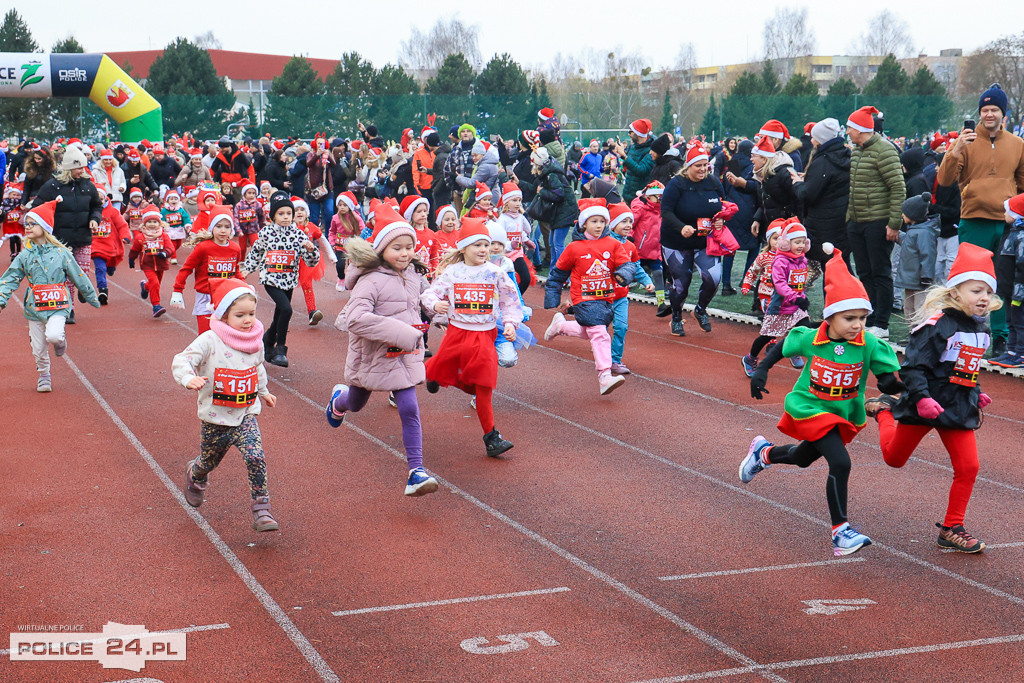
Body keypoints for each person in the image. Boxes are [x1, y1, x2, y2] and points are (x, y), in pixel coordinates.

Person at [740, 249, 904, 556]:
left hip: (843, 412)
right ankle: (840, 533)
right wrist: (761, 369)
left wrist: (895, 386)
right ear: (830, 316)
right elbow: (782, 346)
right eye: (849, 318)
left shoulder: (869, 344)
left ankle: (764, 454)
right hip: (809, 407)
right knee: (840, 462)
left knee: (802, 458)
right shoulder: (811, 337)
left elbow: (890, 379)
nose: (857, 324)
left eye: (863, 318)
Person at [865, 243, 1002, 552]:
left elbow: (965, 368)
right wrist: (923, 399)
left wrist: (976, 392)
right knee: (894, 459)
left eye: (988, 293)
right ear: (955, 293)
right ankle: (885, 412)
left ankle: (952, 527)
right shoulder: (936, 326)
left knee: (969, 467)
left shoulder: (981, 329)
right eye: (976, 290)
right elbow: (913, 368)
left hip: (956, 407)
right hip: (924, 404)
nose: (983, 298)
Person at [325, 213, 439, 496]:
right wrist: (402, 332)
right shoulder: (370, 280)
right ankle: (338, 403)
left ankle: (416, 472)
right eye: (397, 248)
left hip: (403, 356)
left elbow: (425, 299)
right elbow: (356, 319)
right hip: (372, 357)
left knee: (410, 408)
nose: (404, 253)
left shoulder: (413, 274)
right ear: (382, 250)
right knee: (356, 402)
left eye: (408, 247)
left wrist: (441, 311)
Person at [172, 278, 280, 532]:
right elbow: (182, 360)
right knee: (209, 462)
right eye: (240, 315)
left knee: (255, 456)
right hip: (215, 418)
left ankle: (261, 509)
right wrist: (189, 378)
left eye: (251, 314)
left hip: (245, 414)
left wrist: (263, 392)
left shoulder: (254, 339)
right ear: (222, 316)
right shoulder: (209, 340)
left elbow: (257, 368)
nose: (247, 320)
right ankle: (196, 476)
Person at [421, 218, 523, 456]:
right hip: (457, 333)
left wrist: (510, 324)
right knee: (466, 380)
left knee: (484, 385)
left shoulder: (496, 273)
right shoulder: (453, 272)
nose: (483, 250)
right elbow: (429, 293)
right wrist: (436, 304)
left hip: (485, 335)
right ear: (463, 248)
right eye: (477, 245)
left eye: (486, 245)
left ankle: (492, 439)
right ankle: (433, 371)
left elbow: (510, 300)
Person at [937, 84, 1024, 357]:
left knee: (1003, 282)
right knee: (971, 280)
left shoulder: (1018, 144)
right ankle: (966, 334)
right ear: (980, 113)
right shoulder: (966, 142)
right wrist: (956, 148)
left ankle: (1001, 337)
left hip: (1007, 223)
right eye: (984, 110)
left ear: (1003, 113)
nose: (989, 114)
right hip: (973, 219)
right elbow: (944, 180)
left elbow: (1021, 185)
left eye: (994, 109)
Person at [0, 198, 100, 392]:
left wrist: (90, 296)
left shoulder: (62, 253)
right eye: (26, 224)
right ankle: (44, 374)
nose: (26, 227)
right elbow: (10, 278)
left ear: (44, 227)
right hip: (34, 308)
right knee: (38, 350)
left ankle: (60, 340)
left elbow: (78, 274)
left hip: (59, 306)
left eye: (32, 224)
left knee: (53, 335)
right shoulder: (24, 255)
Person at [543, 199, 634, 394]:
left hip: (605, 299)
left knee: (591, 332)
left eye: (602, 221)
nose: (599, 226)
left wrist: (623, 275)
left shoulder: (613, 244)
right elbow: (557, 275)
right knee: (600, 334)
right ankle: (604, 376)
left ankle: (561, 326)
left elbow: (627, 265)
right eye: (594, 221)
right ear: (584, 223)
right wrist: (553, 298)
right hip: (583, 299)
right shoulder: (574, 248)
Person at [845, 105, 906, 340]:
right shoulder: (857, 151)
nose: (848, 131)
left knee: (880, 272)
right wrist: (850, 219)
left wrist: (893, 224)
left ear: (861, 129)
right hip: (857, 222)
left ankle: (882, 323)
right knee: (864, 272)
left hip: (878, 222)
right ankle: (868, 318)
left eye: (850, 127)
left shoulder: (885, 150)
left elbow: (898, 188)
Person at [239, 194, 319, 367]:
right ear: (273, 216)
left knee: (280, 315)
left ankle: (267, 341)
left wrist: (311, 250)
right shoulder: (266, 233)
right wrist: (246, 270)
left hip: (289, 280)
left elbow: (311, 261)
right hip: (271, 278)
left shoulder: (298, 234)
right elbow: (256, 253)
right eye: (281, 214)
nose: (285, 217)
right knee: (286, 309)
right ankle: (280, 349)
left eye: (288, 214)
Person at [659, 140, 725, 336]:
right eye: (698, 165)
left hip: (705, 242)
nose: (703, 169)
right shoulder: (676, 184)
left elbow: (724, 206)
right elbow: (666, 211)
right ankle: (677, 316)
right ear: (688, 166)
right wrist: (682, 227)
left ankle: (700, 310)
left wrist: (721, 220)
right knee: (681, 284)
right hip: (677, 242)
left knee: (714, 278)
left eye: (705, 165)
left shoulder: (713, 182)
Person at [32, 145, 102, 324]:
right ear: (70, 168)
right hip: (61, 239)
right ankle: (69, 309)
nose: (82, 171)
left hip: (83, 237)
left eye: (84, 167)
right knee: (67, 276)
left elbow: (96, 205)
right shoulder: (52, 186)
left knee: (83, 271)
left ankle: (82, 289)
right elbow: (38, 206)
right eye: (79, 167)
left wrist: (95, 218)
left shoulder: (88, 185)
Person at [791, 118, 851, 271]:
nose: (811, 140)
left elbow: (807, 194)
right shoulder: (844, 155)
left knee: (832, 269)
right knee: (841, 266)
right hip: (840, 221)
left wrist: (798, 183)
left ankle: (839, 296)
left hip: (824, 224)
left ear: (821, 140)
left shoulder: (823, 162)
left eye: (814, 137)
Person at [171, 207, 241, 334]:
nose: (223, 230)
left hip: (226, 297)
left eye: (227, 227)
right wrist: (177, 290)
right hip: (205, 297)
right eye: (219, 226)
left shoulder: (235, 249)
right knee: (206, 336)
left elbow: (235, 271)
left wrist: (244, 289)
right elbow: (186, 268)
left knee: (226, 336)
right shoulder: (203, 248)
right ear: (212, 227)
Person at [607, 202, 655, 375]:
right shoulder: (604, 244)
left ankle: (614, 360)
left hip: (620, 298)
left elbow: (637, 267)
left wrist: (647, 281)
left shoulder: (630, 246)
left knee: (621, 327)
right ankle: (563, 327)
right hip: (602, 297)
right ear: (612, 224)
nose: (628, 225)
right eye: (623, 221)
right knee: (596, 330)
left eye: (630, 221)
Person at [740, 221, 784, 374]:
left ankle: (791, 345)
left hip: (783, 295)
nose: (778, 242)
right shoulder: (764, 257)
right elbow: (753, 271)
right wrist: (747, 285)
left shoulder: (789, 258)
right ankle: (771, 342)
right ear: (768, 240)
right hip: (766, 293)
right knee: (770, 316)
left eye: (782, 238)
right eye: (775, 238)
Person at [720, 140, 760, 296]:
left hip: (731, 210)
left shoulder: (731, 164)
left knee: (729, 248)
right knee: (754, 246)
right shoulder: (753, 166)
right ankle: (746, 281)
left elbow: (724, 185)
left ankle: (726, 284)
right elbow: (755, 188)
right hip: (749, 211)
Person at [894, 192, 940, 321]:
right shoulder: (915, 230)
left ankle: (922, 332)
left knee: (920, 308)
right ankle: (913, 332)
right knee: (909, 308)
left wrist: (926, 276)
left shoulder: (924, 233)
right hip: (911, 279)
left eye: (904, 213)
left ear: (912, 214)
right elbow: (909, 244)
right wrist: (898, 235)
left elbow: (928, 255)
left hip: (919, 280)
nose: (902, 215)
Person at [990, 195, 1024, 367]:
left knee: (1020, 322)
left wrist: (1018, 294)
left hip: (1018, 292)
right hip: (1010, 290)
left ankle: (1021, 353)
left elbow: (1022, 267)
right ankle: (1011, 351)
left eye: (1008, 211)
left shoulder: (1021, 236)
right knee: (1011, 321)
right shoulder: (1012, 233)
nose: (1004, 214)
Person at [530, 147, 578, 268]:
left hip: (564, 211)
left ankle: (562, 271)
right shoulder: (551, 172)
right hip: (560, 211)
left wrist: (542, 192)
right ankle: (554, 271)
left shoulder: (551, 175)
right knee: (552, 242)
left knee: (558, 243)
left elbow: (559, 195)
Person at [292, 196, 336, 325]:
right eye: (296, 210)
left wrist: (331, 255)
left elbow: (323, 240)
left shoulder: (311, 227)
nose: (300, 212)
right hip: (289, 262)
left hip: (306, 262)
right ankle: (282, 311)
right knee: (286, 287)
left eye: (302, 209)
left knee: (307, 285)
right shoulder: (288, 228)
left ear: (307, 213)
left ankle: (312, 312)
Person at [128, 208, 176, 318]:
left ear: (159, 223)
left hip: (161, 264)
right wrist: (131, 259)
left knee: (155, 284)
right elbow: (135, 249)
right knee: (154, 283)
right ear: (144, 223)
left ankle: (145, 286)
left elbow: (171, 248)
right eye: (149, 222)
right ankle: (156, 306)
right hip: (147, 265)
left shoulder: (164, 236)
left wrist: (165, 253)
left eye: (155, 222)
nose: (152, 224)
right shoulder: (140, 237)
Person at [630, 181, 668, 313]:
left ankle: (661, 304)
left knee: (658, 273)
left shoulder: (661, 210)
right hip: (638, 251)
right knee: (628, 275)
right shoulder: (640, 207)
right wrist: (629, 237)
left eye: (661, 197)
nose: (659, 200)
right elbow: (630, 223)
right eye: (657, 197)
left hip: (654, 250)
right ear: (649, 196)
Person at [90, 186, 131, 305]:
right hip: (96, 245)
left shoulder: (112, 212)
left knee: (111, 265)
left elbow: (122, 225)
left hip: (110, 245)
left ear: (106, 199)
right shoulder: (89, 211)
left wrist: (126, 236)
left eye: (101, 199)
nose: (98, 202)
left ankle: (111, 267)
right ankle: (102, 290)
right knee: (100, 268)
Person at [496, 182, 534, 294]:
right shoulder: (502, 220)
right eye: (514, 200)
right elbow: (499, 240)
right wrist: (509, 245)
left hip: (517, 254)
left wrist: (526, 241)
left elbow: (523, 231)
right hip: (504, 256)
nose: (518, 204)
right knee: (505, 281)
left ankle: (517, 298)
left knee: (526, 279)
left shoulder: (520, 217)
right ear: (507, 202)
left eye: (519, 200)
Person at [329, 192, 365, 291]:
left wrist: (360, 242)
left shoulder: (356, 218)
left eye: (345, 205)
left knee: (353, 267)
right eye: (340, 205)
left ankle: (352, 284)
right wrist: (332, 243)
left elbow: (362, 230)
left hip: (352, 246)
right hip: (340, 245)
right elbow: (332, 231)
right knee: (340, 265)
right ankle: (341, 278)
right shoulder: (335, 218)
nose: (342, 207)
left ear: (349, 206)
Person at [614, 119, 655, 201]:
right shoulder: (634, 147)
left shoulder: (651, 150)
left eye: (630, 132)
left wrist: (624, 155)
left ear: (638, 134)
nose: (629, 134)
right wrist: (623, 153)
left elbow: (641, 170)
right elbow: (631, 163)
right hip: (628, 194)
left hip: (640, 197)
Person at [304, 138, 336, 227]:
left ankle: (328, 235)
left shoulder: (328, 153)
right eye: (319, 143)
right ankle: (314, 236)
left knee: (329, 212)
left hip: (327, 188)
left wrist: (327, 154)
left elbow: (334, 165)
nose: (321, 145)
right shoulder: (311, 154)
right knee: (315, 216)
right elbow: (308, 164)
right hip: (314, 189)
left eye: (323, 143)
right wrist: (316, 155)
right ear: (315, 144)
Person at [233, 182, 265, 261]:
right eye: (249, 193)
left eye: (253, 193)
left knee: (255, 246)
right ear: (244, 194)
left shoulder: (258, 205)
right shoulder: (239, 205)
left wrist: (262, 227)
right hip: (242, 230)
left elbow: (262, 216)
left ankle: (255, 261)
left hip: (254, 229)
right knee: (242, 248)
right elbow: (236, 218)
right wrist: (238, 230)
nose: (251, 195)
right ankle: (241, 261)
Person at [160, 190, 191, 262]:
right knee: (173, 244)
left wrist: (187, 225)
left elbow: (186, 218)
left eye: (175, 199)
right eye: (171, 199)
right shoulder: (164, 210)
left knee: (178, 244)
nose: (173, 201)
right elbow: (161, 219)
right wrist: (162, 226)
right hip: (169, 229)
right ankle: (173, 257)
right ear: (168, 201)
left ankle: (169, 251)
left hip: (179, 229)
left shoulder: (181, 210)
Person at [1, 184, 25, 259]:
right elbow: (2, 209)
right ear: (10, 194)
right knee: (12, 239)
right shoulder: (6, 202)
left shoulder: (21, 203)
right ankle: (13, 253)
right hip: (9, 224)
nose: (15, 196)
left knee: (18, 239)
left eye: (17, 195)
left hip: (17, 224)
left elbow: (24, 209)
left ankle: (18, 251)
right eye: (13, 194)